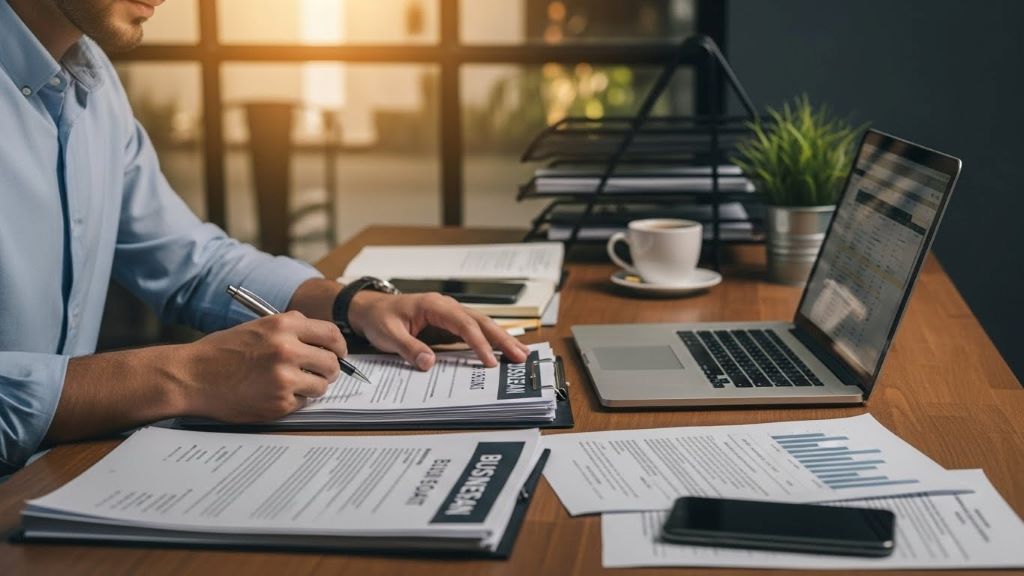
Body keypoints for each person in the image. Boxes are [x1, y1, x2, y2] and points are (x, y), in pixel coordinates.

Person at [0, 0, 529, 475]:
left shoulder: (93, 82)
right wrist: (185, 374)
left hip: (56, 477)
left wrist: (352, 304)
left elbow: (193, 265)